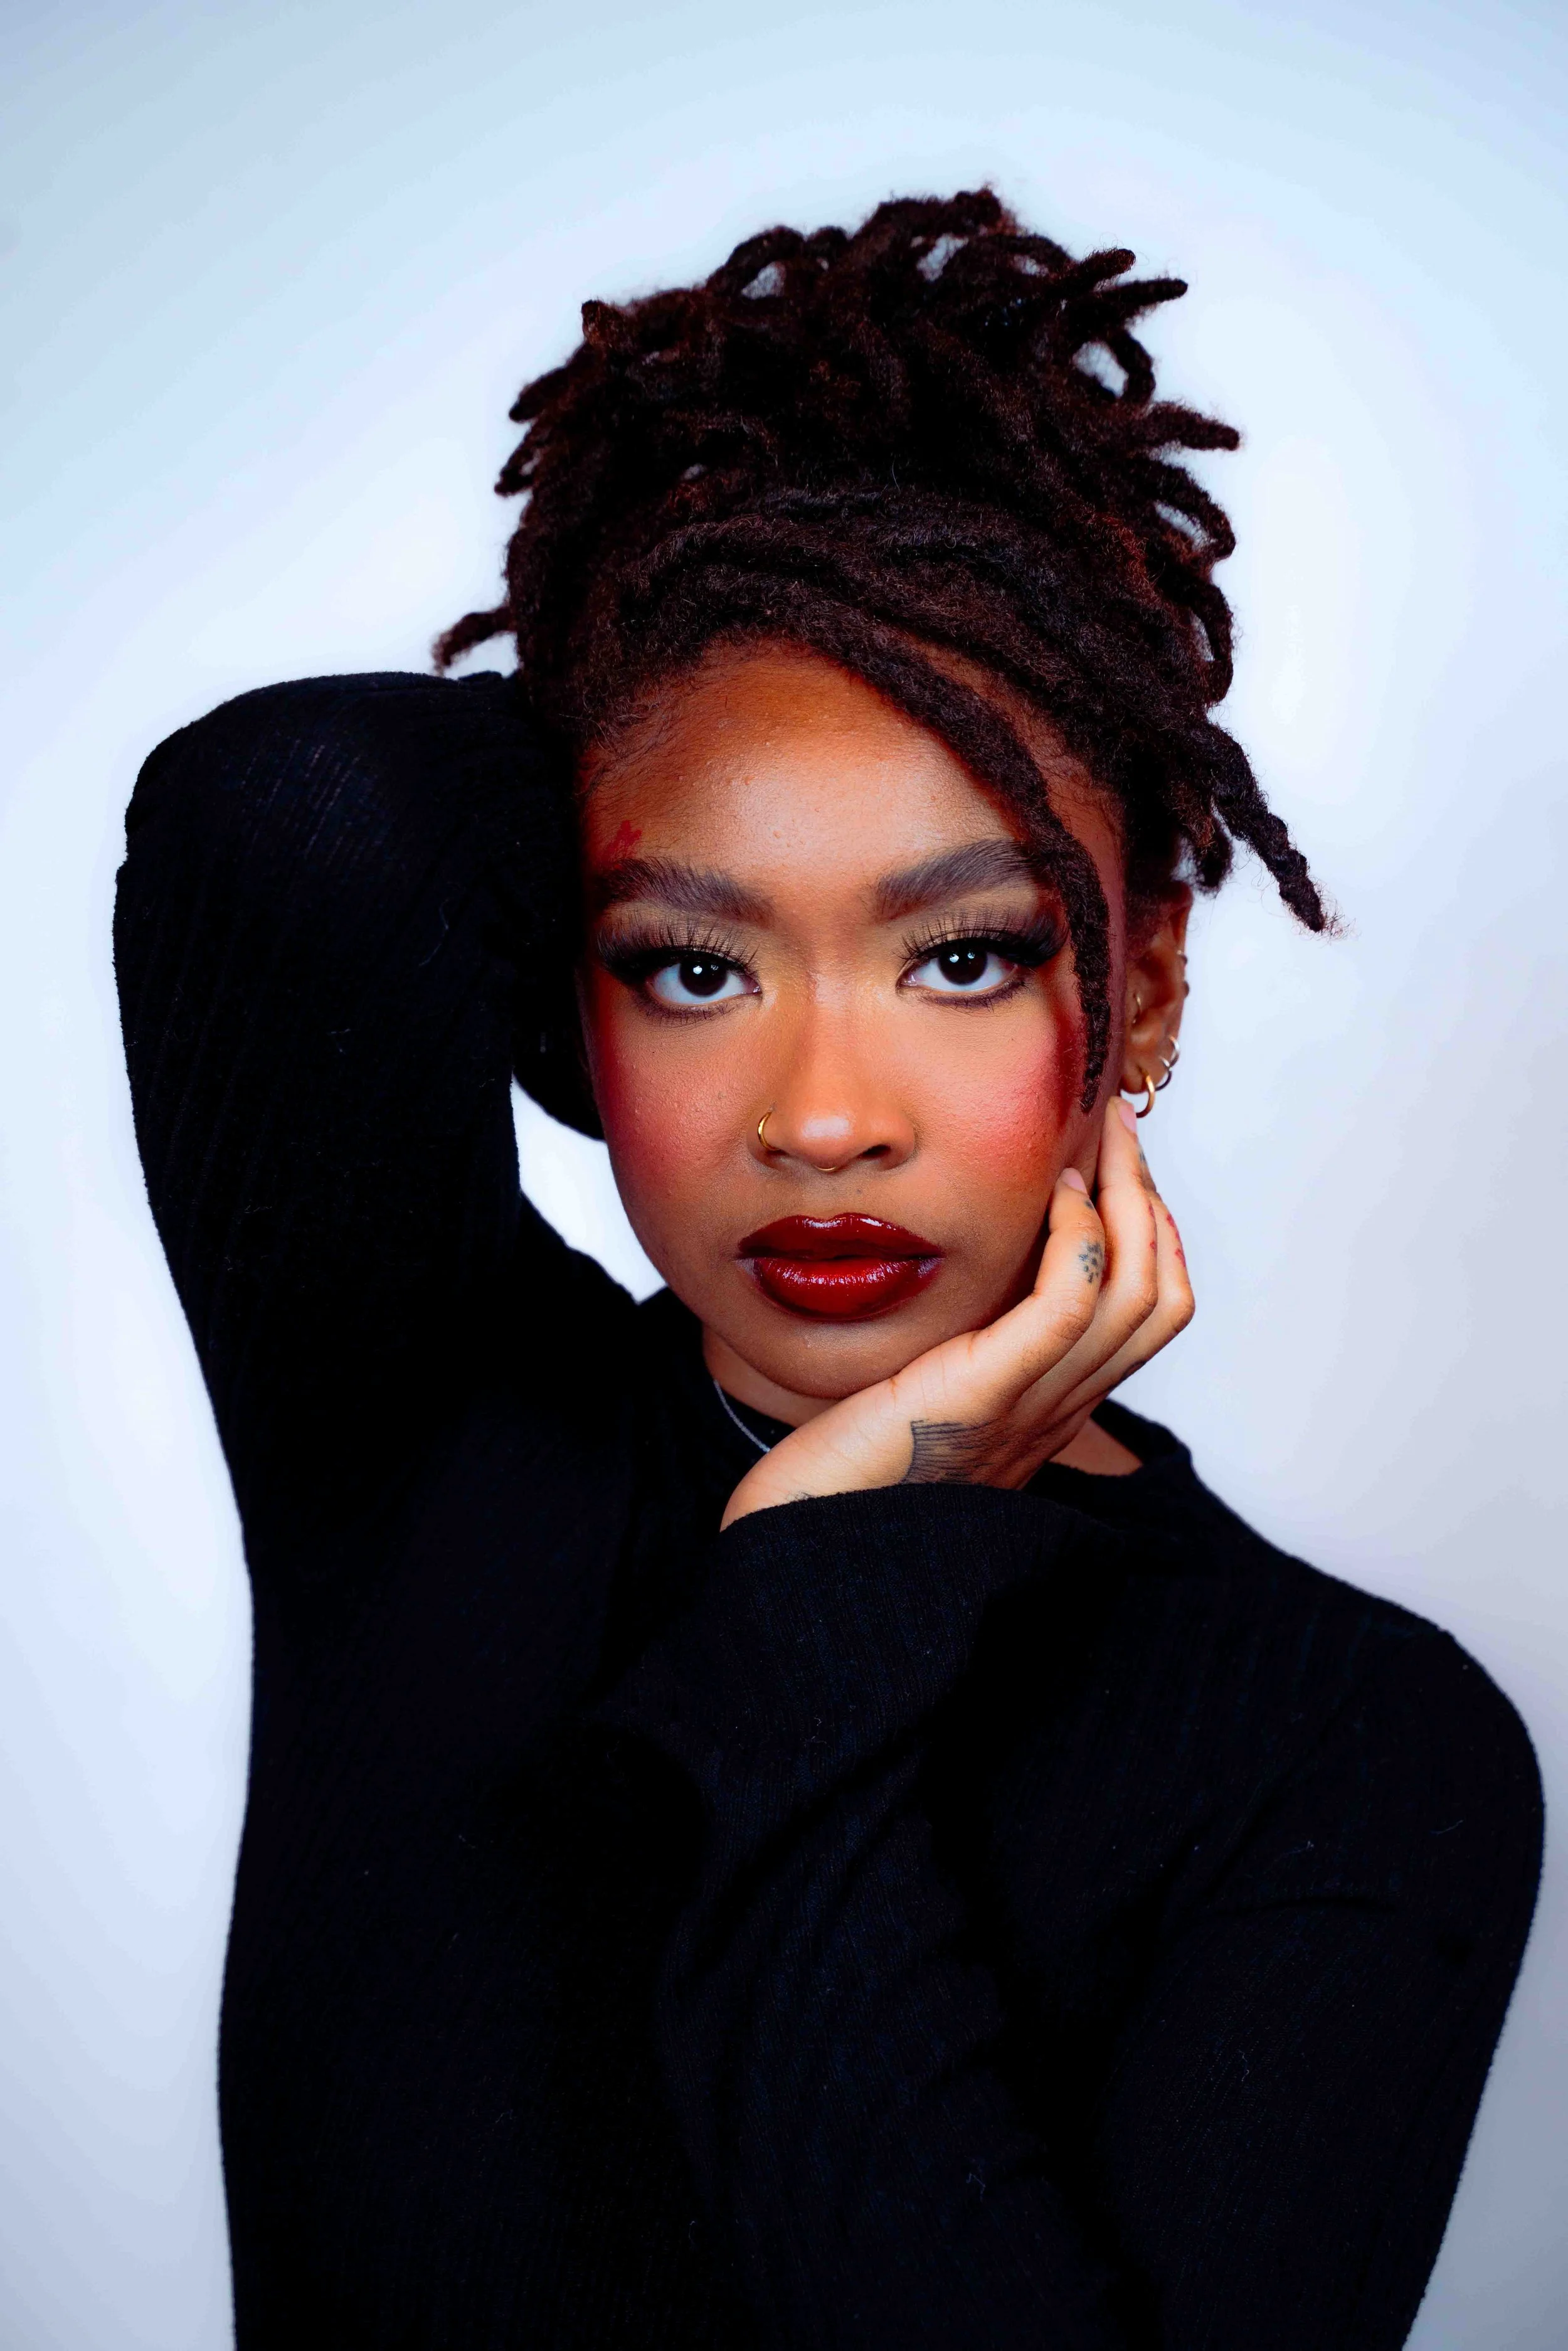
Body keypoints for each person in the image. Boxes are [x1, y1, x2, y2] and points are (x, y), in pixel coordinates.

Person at [114, 191, 1541, 2349]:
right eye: (694, 968)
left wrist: (826, 1591)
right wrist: (659, 664)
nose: (820, 1113)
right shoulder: (436, 1458)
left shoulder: (1358, 1748)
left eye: (958, 955)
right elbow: (293, 811)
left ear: (1145, 978)